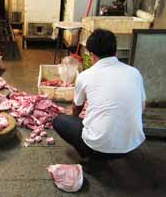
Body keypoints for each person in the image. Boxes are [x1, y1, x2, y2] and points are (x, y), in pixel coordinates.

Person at [52, 29, 146, 170]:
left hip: (100, 146)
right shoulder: (135, 72)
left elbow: (77, 107)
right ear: (115, 51)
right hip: (132, 144)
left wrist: (75, 119)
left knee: (59, 121)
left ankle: (92, 156)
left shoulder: (86, 76)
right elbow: (142, 106)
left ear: (91, 54)